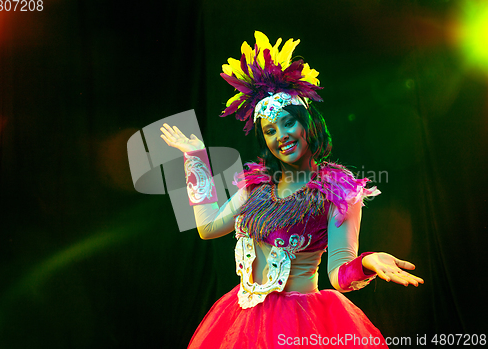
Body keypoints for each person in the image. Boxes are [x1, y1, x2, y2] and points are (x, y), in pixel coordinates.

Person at [160, 31, 424, 348]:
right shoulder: (255, 187)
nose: (280, 136)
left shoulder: (337, 191)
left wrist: (367, 261)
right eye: (270, 130)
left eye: (288, 123)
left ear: (306, 124)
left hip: (302, 326)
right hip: (241, 323)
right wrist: (196, 159)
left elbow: (339, 275)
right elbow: (207, 227)